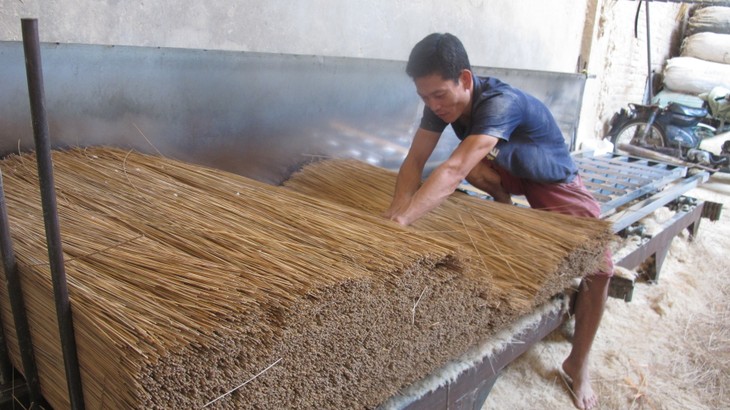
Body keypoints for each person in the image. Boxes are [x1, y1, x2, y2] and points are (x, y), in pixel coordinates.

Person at [382, 33, 613, 410]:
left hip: (549, 177)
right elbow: (414, 160)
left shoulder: (500, 102)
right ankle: (505, 209)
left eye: (439, 94)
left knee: (600, 267)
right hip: (506, 170)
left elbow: (455, 169)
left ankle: (578, 362)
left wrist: (406, 219)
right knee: (466, 163)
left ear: (466, 80)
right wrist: (396, 209)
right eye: (424, 97)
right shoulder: (438, 103)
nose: (432, 105)